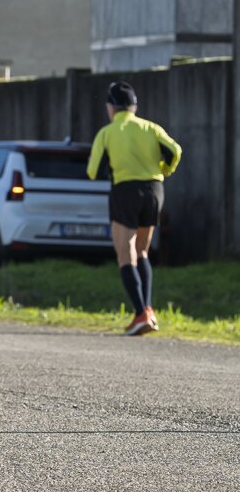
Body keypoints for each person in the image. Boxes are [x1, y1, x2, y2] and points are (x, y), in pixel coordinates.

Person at [87, 80, 181, 335]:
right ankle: (147, 310)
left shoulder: (107, 132)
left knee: (124, 253)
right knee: (142, 251)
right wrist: (165, 170)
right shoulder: (151, 127)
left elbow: (93, 171)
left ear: (111, 107)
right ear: (134, 107)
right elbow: (175, 150)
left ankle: (140, 313)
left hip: (125, 191)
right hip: (154, 190)